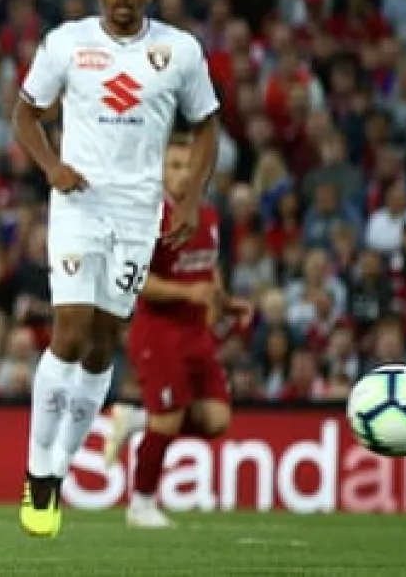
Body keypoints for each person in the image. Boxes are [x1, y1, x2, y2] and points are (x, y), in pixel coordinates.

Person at [12, 0, 221, 538]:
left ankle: (61, 465)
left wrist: (190, 197)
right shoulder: (66, 44)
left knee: (103, 349)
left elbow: (207, 124)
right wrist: (51, 165)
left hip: (137, 215)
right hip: (78, 204)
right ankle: (37, 470)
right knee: (71, 331)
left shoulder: (179, 51)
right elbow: (25, 114)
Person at [103, 133, 253, 527]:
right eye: (174, 166)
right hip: (159, 331)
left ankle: (136, 421)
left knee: (216, 419)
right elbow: (137, 283)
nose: (183, 174)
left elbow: (208, 269)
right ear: (160, 172)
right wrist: (191, 292)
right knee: (168, 419)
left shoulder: (208, 216)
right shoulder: (151, 218)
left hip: (196, 335)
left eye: (189, 166)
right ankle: (142, 504)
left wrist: (225, 301)